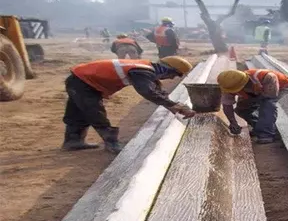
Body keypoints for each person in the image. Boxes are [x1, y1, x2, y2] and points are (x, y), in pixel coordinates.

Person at [62, 56, 195, 153]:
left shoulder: (146, 69)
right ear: (167, 69)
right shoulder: (142, 71)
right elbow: (148, 92)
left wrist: (174, 106)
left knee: (77, 112)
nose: (172, 78)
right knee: (94, 111)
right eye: (174, 74)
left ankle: (73, 141)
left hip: (82, 80)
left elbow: (158, 92)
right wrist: (174, 106)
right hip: (82, 82)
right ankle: (112, 143)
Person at [217, 69, 288, 144]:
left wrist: (258, 97)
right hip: (257, 91)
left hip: (280, 85)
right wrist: (233, 122)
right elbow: (227, 105)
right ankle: (259, 128)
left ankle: (266, 134)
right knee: (242, 109)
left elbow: (269, 99)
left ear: (244, 84)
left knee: (267, 105)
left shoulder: (267, 77)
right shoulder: (228, 86)